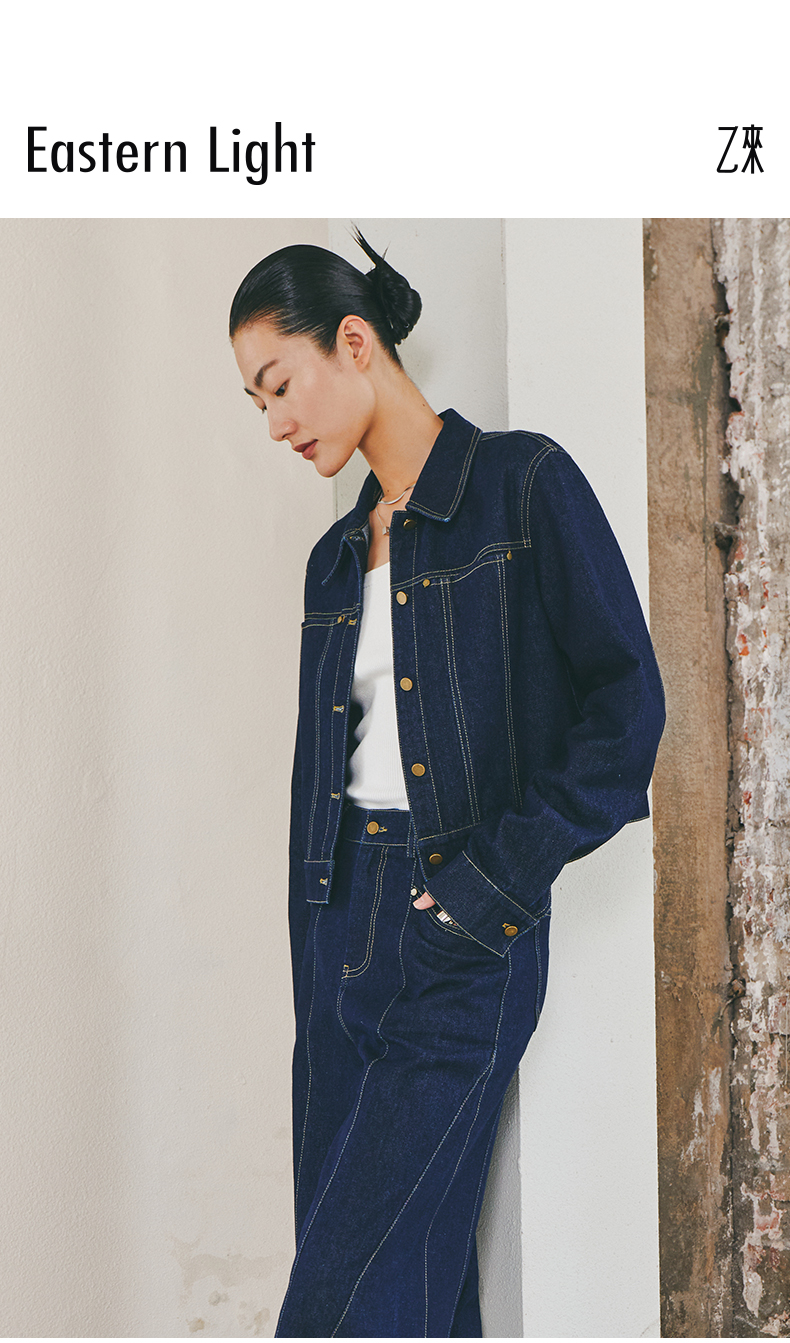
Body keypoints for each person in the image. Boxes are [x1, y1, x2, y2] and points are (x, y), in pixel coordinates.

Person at [229, 230, 665, 1338]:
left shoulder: (522, 486)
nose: (274, 422)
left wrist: (491, 884)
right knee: (413, 1290)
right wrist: (320, 946)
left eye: (279, 384)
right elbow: (321, 785)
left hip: (460, 926)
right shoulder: (334, 561)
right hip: (340, 931)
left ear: (354, 342)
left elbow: (627, 712)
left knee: (335, 1302)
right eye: (257, 401)